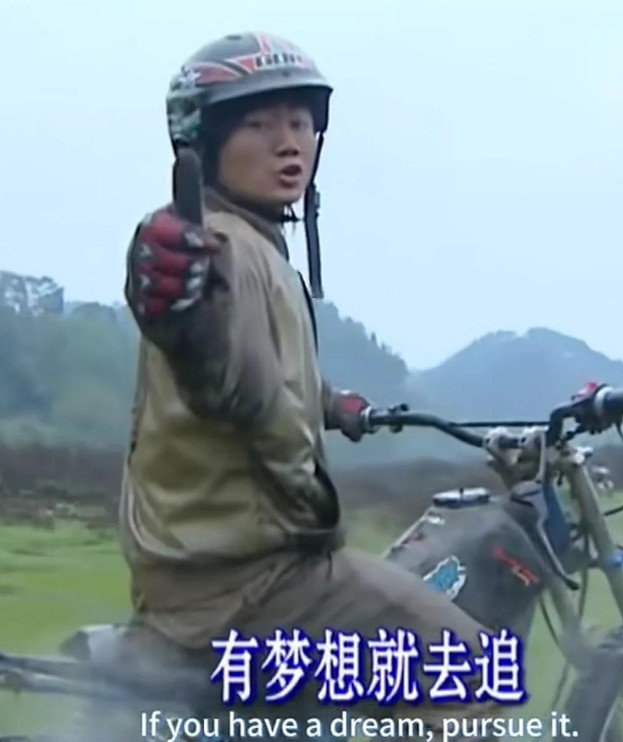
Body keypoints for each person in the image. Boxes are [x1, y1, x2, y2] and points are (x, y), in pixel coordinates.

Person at [120, 31, 505, 740]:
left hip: (193, 575)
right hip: (251, 584)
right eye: (259, 124)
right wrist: (174, 307)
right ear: (202, 143)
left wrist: (334, 402)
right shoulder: (219, 251)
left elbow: (266, 371)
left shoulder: (261, 247)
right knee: (476, 669)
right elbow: (217, 362)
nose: (288, 143)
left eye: (301, 123)